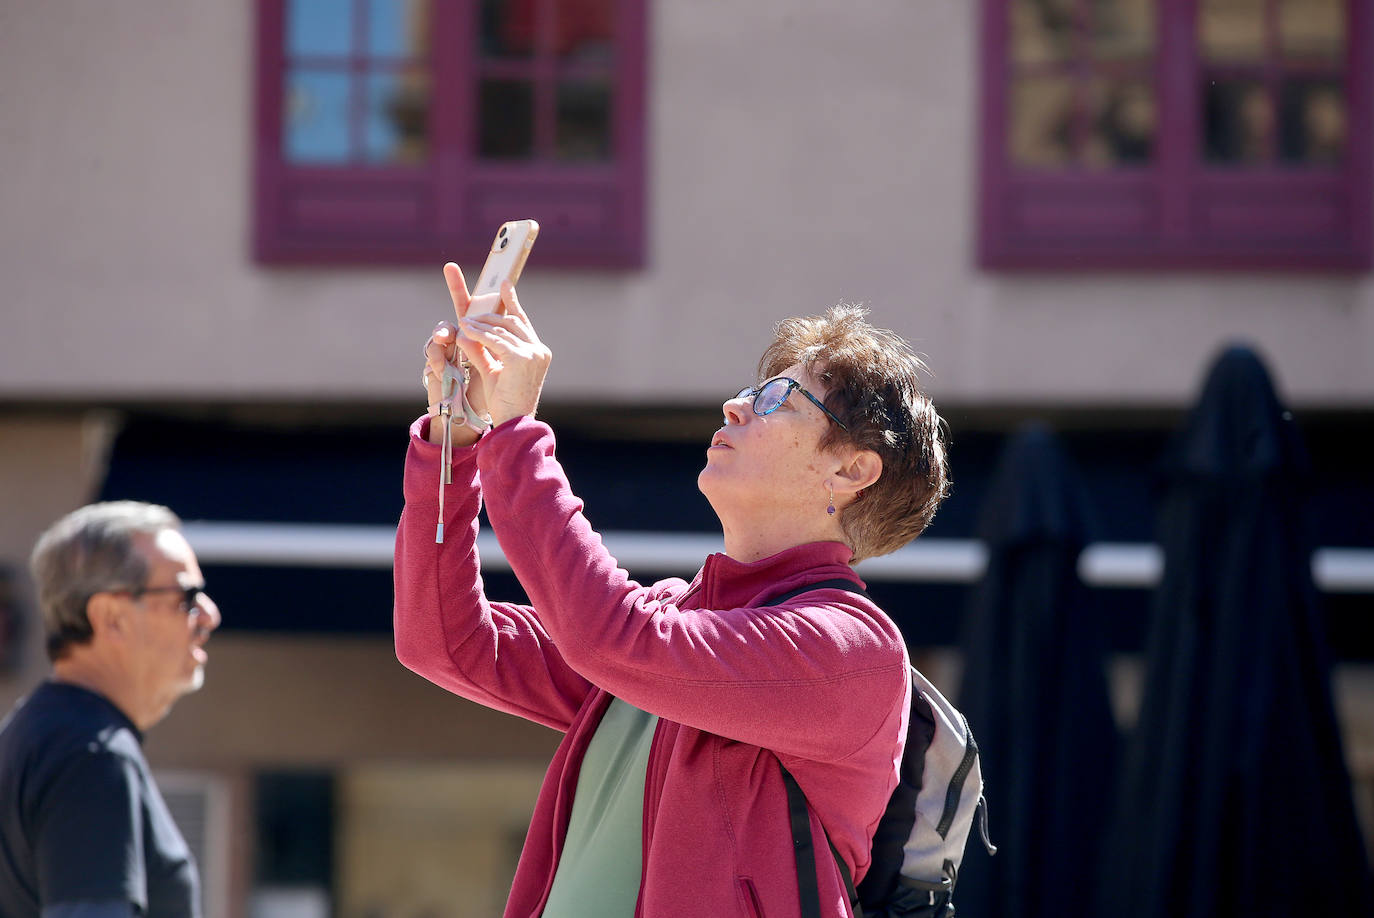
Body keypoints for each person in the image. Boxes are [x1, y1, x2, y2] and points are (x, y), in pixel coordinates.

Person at [393, 266, 949, 917]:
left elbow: (609, 637)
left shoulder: (852, 646)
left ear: (852, 470)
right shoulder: (665, 622)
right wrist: (454, 435)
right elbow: (446, 642)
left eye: (778, 401)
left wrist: (517, 431)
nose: (735, 405)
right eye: (749, 390)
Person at [0, 501, 221, 918]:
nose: (209, 615)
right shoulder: (90, 756)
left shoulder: (38, 735)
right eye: (186, 596)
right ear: (111, 618)